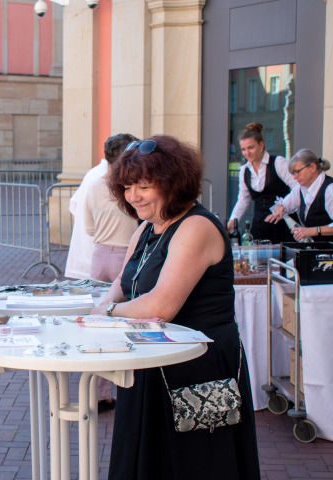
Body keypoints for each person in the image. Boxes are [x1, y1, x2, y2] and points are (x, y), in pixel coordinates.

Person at [91, 135, 260, 479]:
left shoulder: (196, 226)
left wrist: (106, 315)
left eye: (143, 186)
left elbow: (162, 305)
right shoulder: (146, 229)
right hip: (150, 361)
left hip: (196, 368)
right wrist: (107, 306)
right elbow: (122, 286)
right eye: (127, 187)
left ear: (172, 184)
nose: (132, 196)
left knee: (194, 463)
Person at [84, 133, 140, 282]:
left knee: (100, 302)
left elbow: (89, 229)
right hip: (126, 253)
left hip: (99, 255)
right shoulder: (132, 189)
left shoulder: (93, 186)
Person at [228, 122, 296, 243]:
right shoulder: (244, 170)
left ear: (261, 145)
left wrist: (284, 206)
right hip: (259, 226)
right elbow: (243, 200)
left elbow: (298, 188)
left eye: (251, 147)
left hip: (283, 225)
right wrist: (233, 220)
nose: (247, 153)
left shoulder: (278, 162)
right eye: (243, 149)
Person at [266, 149, 333, 242]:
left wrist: (312, 231)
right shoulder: (300, 189)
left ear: (312, 167)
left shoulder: (330, 189)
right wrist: (279, 208)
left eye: (298, 172)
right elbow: (284, 205)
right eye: (293, 173)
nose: (294, 177)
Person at [65, 157, 108, 279]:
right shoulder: (100, 176)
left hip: (92, 251)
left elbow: (74, 203)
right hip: (99, 251)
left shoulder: (94, 173)